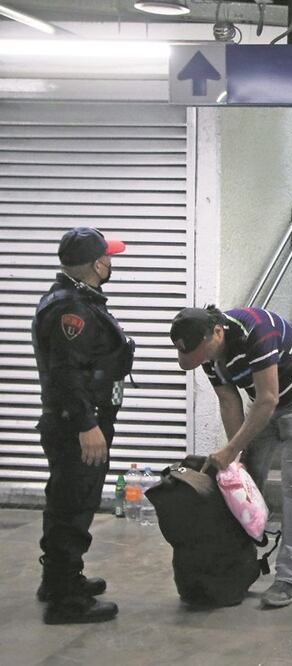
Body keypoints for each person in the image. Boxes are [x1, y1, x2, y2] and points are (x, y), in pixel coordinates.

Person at [169, 305, 292, 609]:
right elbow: (229, 399)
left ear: (217, 332)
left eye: (202, 352)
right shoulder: (210, 351)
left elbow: (268, 398)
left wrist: (230, 450)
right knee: (243, 481)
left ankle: (290, 578)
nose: (203, 360)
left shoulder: (257, 331)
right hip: (264, 403)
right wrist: (236, 459)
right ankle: (238, 566)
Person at [32, 227, 131, 625]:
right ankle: (66, 600)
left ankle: (57, 579)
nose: (111, 262)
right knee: (75, 505)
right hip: (77, 424)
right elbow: (65, 373)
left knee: (65, 499)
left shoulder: (73, 299)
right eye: (108, 256)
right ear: (96, 264)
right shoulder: (70, 309)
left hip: (73, 421)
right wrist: (87, 425)